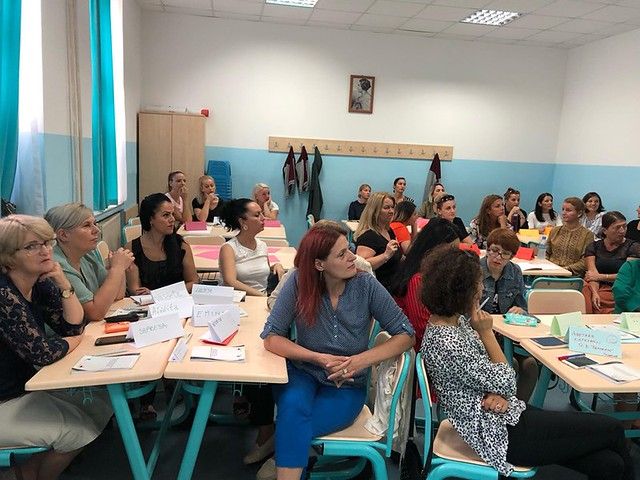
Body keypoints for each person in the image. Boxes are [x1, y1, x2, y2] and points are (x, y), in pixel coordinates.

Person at [421, 246, 633, 479]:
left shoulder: (451, 323)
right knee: (613, 429)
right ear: (463, 291)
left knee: (610, 464)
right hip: (499, 434)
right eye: (478, 283)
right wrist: (486, 333)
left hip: (500, 416)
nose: (482, 289)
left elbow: (484, 376)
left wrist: (496, 390)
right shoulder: (448, 341)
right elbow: (507, 381)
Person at [261, 226, 415, 480]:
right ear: (319, 264)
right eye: (342, 254)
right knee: (294, 409)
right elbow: (271, 337)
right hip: (303, 373)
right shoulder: (299, 281)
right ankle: (288, 456)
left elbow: (406, 334)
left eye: (349, 250)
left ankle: (282, 454)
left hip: (347, 384)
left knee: (292, 423)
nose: (353, 257)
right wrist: (317, 357)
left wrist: (358, 361)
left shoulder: (366, 285)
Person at [0, 215, 112, 480]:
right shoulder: (4, 294)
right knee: (80, 431)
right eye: (32, 246)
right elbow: (42, 352)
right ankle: (27, 474)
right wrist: (75, 341)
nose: (45, 251)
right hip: (5, 398)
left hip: (23, 387)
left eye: (46, 243)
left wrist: (64, 285)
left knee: (101, 404)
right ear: (8, 256)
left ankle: (25, 471)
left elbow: (72, 327)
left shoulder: (38, 282)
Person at [45, 203, 134, 322]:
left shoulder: (88, 253)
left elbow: (117, 295)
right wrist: (117, 268)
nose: (97, 230)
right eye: (86, 225)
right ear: (63, 235)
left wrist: (119, 267)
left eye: (95, 223)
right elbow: (95, 313)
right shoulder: (56, 264)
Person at [480, 228, 537, 401]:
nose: (498, 257)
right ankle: (502, 408)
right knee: (511, 365)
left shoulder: (515, 272)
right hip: (482, 334)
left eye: (505, 254)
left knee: (530, 365)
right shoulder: (475, 270)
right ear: (487, 248)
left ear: (511, 256)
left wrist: (520, 310)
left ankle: (519, 409)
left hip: (507, 334)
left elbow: (523, 308)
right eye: (495, 250)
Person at [390, 218, 459, 351]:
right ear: (433, 248)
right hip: (424, 348)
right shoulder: (418, 280)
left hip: (439, 341)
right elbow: (423, 329)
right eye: (451, 251)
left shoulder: (433, 273)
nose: (455, 257)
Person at [126, 193, 198, 294]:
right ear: (150, 219)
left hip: (178, 300)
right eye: (166, 215)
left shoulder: (181, 245)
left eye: (172, 214)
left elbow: (193, 281)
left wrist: (159, 294)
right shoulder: (132, 248)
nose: (172, 219)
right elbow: (134, 290)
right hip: (146, 302)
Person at [219, 198, 285, 297]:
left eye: (262, 214)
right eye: (257, 215)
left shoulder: (262, 245)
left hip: (261, 298)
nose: (263, 218)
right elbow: (230, 282)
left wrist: (275, 266)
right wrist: (262, 296)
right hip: (239, 299)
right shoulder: (228, 248)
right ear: (242, 222)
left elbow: (258, 270)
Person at [584, 212, 640, 314]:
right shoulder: (593, 247)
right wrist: (595, 293)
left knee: (606, 296)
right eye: (617, 227)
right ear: (605, 230)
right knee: (585, 291)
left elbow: (628, 276)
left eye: (624, 226)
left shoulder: (633, 247)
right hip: (595, 285)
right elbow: (592, 275)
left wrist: (600, 277)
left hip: (619, 286)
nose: (622, 231)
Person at [354, 192, 401, 291]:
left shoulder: (389, 231)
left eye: (392, 207)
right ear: (375, 211)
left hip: (394, 284)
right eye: (386, 208)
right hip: (380, 289)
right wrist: (385, 255)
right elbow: (362, 266)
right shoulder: (368, 236)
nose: (391, 211)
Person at [546, 197, 594, 277]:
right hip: (550, 272)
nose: (564, 213)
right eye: (563, 209)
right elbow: (546, 252)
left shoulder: (588, 235)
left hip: (572, 276)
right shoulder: (554, 230)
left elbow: (585, 261)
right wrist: (547, 267)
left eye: (568, 210)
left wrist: (565, 269)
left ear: (579, 213)